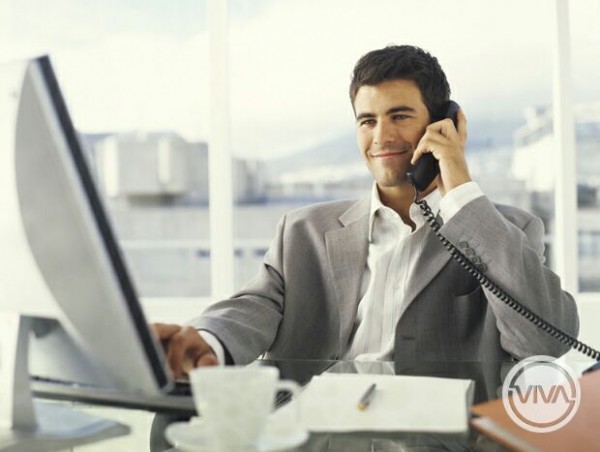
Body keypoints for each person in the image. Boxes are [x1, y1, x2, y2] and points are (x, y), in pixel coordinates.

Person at [153, 45, 579, 378]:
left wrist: (461, 191)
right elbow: (253, 307)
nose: (382, 136)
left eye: (400, 116)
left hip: (437, 436)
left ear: (444, 125)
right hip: (314, 431)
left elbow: (542, 341)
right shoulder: (304, 231)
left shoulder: (506, 229)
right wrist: (207, 341)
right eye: (367, 120)